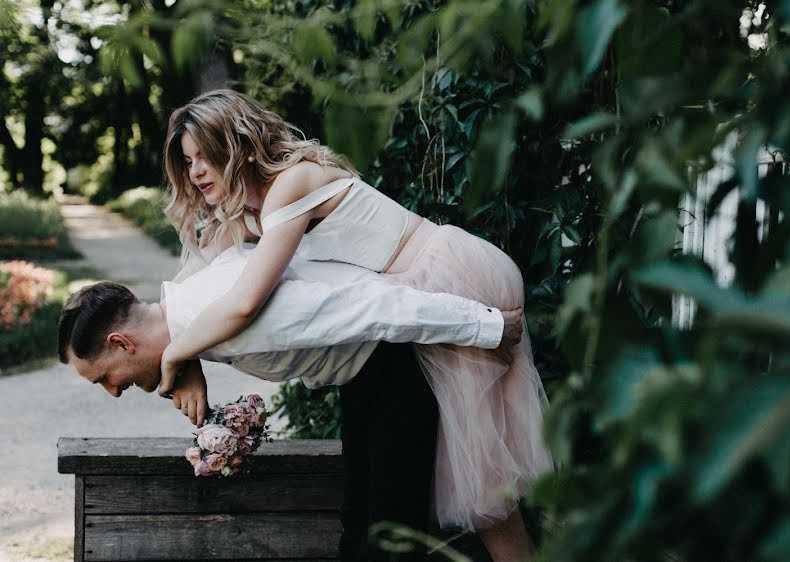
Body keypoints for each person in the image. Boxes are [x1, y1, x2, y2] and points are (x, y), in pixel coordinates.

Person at [159, 89, 552, 560]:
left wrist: (176, 354)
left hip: (454, 276)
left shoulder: (291, 185)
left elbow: (244, 302)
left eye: (204, 156)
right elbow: (182, 291)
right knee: (482, 483)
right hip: (421, 289)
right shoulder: (249, 211)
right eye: (187, 162)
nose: (195, 172)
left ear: (236, 144)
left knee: (487, 483)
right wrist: (183, 357)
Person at [58, 247, 524, 561]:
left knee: (390, 536)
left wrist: (485, 327)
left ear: (122, 343)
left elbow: (371, 306)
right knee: (357, 525)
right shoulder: (194, 308)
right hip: (364, 380)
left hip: (397, 369)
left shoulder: (235, 314)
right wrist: (186, 361)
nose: (114, 392)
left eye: (105, 379)